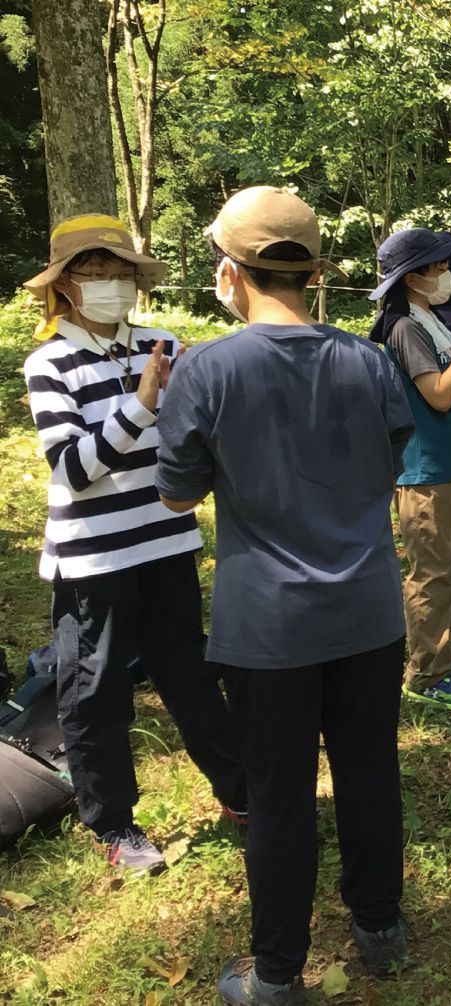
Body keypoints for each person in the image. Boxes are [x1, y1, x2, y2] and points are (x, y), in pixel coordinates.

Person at [153, 186, 416, 1003]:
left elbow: (174, 496)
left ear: (230, 273)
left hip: (269, 627)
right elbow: (394, 458)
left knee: (278, 798)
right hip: (370, 613)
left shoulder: (205, 369)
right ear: (313, 275)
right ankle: (380, 927)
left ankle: (275, 975)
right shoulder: (368, 360)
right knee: (371, 773)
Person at [21, 214, 245, 875]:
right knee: (93, 694)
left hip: (167, 543)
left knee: (194, 678)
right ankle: (113, 823)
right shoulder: (50, 362)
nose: (112, 285)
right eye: (95, 274)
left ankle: (241, 794)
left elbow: (194, 443)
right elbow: (71, 470)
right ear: (64, 287)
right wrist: (143, 404)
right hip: (93, 558)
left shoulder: (164, 343)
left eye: (122, 273)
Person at [369, 228, 451, 711]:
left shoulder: (429, 319)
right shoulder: (404, 325)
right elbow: (440, 394)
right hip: (423, 469)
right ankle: (426, 672)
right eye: (439, 266)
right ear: (416, 275)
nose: (447, 273)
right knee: (430, 572)